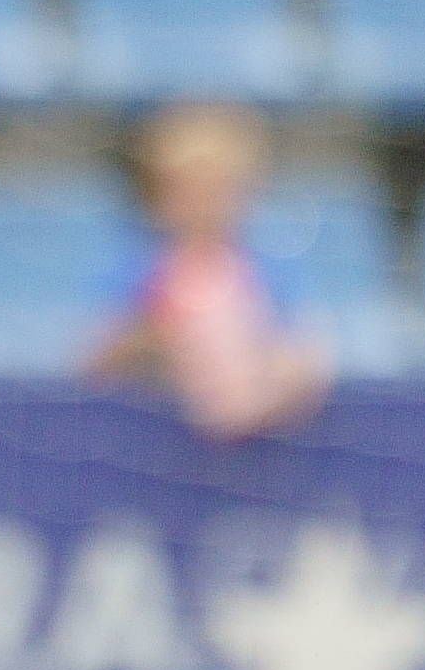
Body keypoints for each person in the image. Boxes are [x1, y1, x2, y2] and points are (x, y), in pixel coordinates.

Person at [86, 102, 329, 441]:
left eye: (216, 191)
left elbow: (305, 358)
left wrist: (262, 384)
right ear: (157, 195)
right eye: (186, 190)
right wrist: (157, 336)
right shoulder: (140, 270)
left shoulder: (267, 270)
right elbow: (95, 361)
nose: (202, 206)